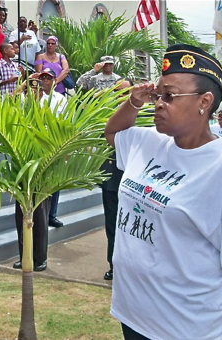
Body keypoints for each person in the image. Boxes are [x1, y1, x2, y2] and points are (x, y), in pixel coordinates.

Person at [105, 43, 222, 339]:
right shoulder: (148, 141)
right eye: (157, 95)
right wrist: (133, 101)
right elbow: (112, 133)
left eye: (169, 96)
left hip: (186, 327)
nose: (157, 104)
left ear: (204, 102)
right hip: (133, 315)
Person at [12, 69, 67, 272]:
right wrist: (24, 85)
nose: (42, 82)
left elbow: (62, 125)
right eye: (40, 79)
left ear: (53, 81)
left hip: (45, 157)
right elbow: (9, 107)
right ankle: (24, 255)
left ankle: (40, 257)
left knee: (41, 208)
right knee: (21, 210)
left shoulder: (58, 100)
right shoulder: (23, 100)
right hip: (23, 158)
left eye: (47, 79)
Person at [100, 78, 131, 281]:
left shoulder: (143, 115)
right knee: (112, 225)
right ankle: (113, 264)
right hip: (111, 178)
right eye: (118, 93)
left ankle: (129, 266)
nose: (122, 97)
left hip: (131, 180)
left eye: (125, 93)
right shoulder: (105, 113)